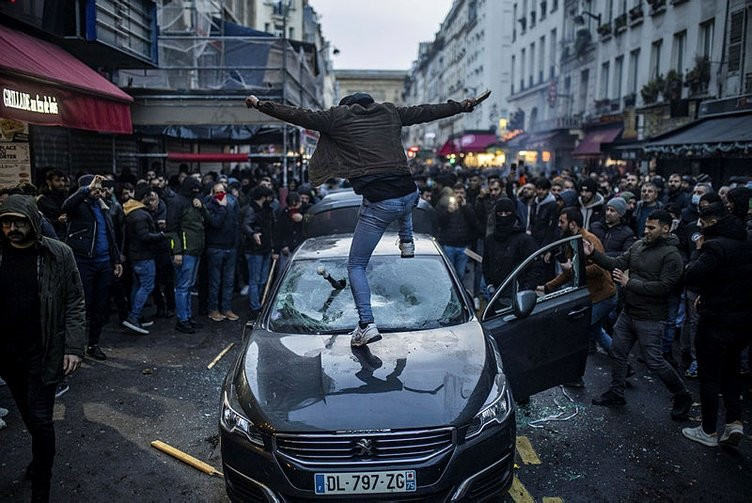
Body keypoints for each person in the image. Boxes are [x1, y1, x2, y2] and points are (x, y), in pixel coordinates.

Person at [246, 90, 481, 346]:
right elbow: (426, 111)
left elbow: (298, 115)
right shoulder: (389, 111)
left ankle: (366, 325)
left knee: (356, 265)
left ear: (347, 106)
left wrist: (260, 105)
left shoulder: (339, 117)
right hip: (410, 195)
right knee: (399, 201)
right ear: (371, 102)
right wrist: (462, 105)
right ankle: (407, 241)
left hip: (383, 202)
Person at [0, 195, 85, 502]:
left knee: (41, 419)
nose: (12, 228)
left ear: (33, 222)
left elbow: (75, 300)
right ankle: (38, 461)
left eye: (19, 222)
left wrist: (74, 347)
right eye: (6, 222)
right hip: (8, 356)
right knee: (27, 414)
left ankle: (42, 487)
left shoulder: (57, 254)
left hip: (43, 352)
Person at [586, 210, 693, 420]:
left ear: (666, 228)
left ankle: (682, 395)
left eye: (651, 228)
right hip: (629, 312)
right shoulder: (638, 245)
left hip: (650, 317)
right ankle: (616, 392)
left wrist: (629, 283)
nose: (646, 231)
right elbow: (617, 264)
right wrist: (593, 254)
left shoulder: (672, 255)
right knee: (618, 351)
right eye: (645, 226)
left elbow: (665, 287)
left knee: (654, 361)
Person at [681, 203, 752, 447]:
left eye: (703, 223)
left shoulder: (714, 246)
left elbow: (691, 276)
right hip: (742, 320)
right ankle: (734, 422)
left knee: (709, 375)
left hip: (716, 319)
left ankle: (708, 429)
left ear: (712, 223)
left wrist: (699, 251)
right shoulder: (747, 241)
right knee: (732, 370)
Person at [60, 175, 123, 360]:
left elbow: (110, 235)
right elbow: (66, 206)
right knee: (81, 306)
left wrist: (116, 260)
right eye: (94, 188)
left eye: (99, 188)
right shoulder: (78, 206)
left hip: (103, 263)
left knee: (100, 306)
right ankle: (74, 348)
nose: (98, 191)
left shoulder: (103, 207)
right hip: (83, 262)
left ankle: (93, 345)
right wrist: (86, 190)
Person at [541, 208, 616, 360]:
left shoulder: (589, 240)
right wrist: (549, 286)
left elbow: (599, 268)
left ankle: (575, 375)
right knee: (597, 332)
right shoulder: (572, 240)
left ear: (573, 224)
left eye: (562, 221)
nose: (559, 225)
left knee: (577, 331)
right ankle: (623, 364)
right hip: (594, 295)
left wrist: (574, 269)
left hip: (602, 296)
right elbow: (569, 272)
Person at [165, 177, 207, 334]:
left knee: (187, 286)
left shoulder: (188, 201)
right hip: (187, 250)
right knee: (184, 286)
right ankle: (183, 319)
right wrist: (177, 251)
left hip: (193, 249)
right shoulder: (179, 202)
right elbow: (171, 229)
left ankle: (186, 318)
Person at [122, 185, 165, 334]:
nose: (154, 202)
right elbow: (144, 237)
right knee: (146, 286)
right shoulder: (140, 215)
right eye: (151, 198)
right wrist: (161, 235)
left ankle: (136, 315)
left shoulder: (132, 211)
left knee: (137, 286)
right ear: (145, 197)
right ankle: (134, 317)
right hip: (144, 256)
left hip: (135, 256)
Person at [482, 198, 540, 300]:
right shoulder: (490, 240)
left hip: (517, 296)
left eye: (507, 213)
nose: (504, 216)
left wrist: (525, 290)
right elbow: (486, 263)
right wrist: (489, 284)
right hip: (495, 294)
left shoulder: (525, 240)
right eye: (500, 213)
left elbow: (535, 267)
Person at [205, 182, 240, 322]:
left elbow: (236, 222)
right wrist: (222, 208)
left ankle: (226, 308)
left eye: (222, 191)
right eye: (217, 192)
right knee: (215, 281)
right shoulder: (209, 205)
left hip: (230, 246)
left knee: (228, 281)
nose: (220, 195)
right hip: (215, 247)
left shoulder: (232, 202)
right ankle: (213, 309)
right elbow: (215, 223)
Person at [242, 185, 275, 320]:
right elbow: (246, 225)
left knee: (261, 279)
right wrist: (253, 234)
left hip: (263, 247)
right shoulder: (253, 210)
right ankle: (255, 306)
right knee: (256, 280)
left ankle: (258, 304)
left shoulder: (264, 209)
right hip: (256, 249)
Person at [437, 183, 479, 281]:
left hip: (463, 246)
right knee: (449, 274)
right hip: (449, 245)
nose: (459, 195)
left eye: (462, 192)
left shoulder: (468, 206)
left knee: (460, 274)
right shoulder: (445, 205)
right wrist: (448, 212)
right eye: (457, 192)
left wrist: (465, 208)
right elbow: (439, 222)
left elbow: (474, 222)